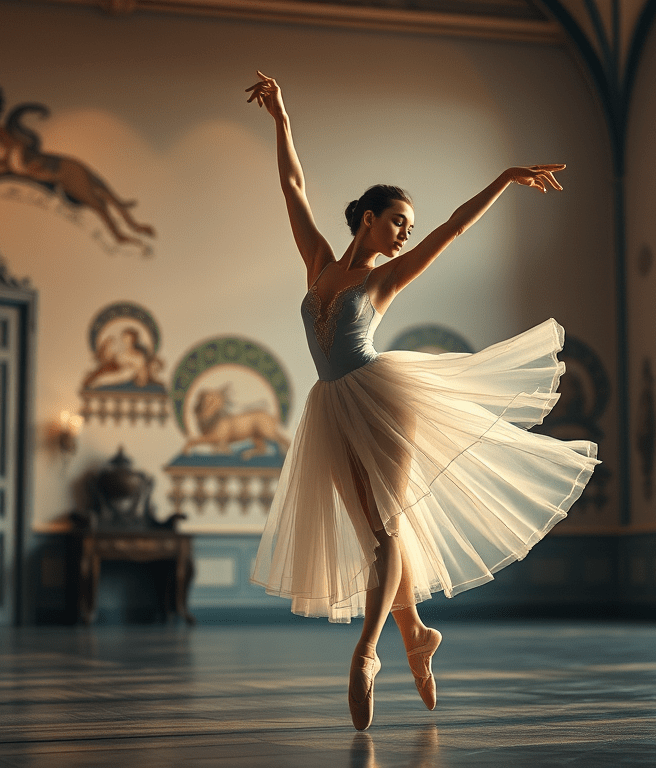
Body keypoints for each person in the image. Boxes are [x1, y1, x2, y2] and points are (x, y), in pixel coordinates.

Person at [246, 71, 599, 731]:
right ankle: (417, 635)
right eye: (397, 222)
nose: (406, 233)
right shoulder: (320, 264)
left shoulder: (383, 280)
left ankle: (367, 654)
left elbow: (453, 233)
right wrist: (281, 116)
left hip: (383, 402)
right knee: (376, 533)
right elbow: (293, 187)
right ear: (369, 218)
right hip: (331, 405)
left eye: (409, 225)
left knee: (383, 534)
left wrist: (503, 178)